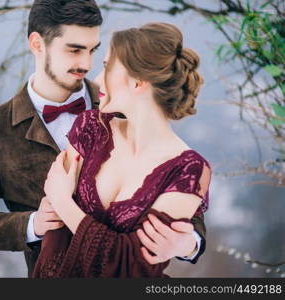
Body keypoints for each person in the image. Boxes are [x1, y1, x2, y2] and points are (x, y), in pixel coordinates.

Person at [0, 0, 207, 278]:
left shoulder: (125, 99)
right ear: (37, 44)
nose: (86, 63)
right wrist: (34, 224)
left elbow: (173, 176)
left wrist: (190, 243)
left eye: (92, 50)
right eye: (74, 50)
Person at [32, 22, 211, 278]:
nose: (95, 79)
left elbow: (133, 268)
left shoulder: (190, 170)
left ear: (138, 82)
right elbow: (54, 230)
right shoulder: (90, 127)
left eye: (106, 67)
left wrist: (64, 202)